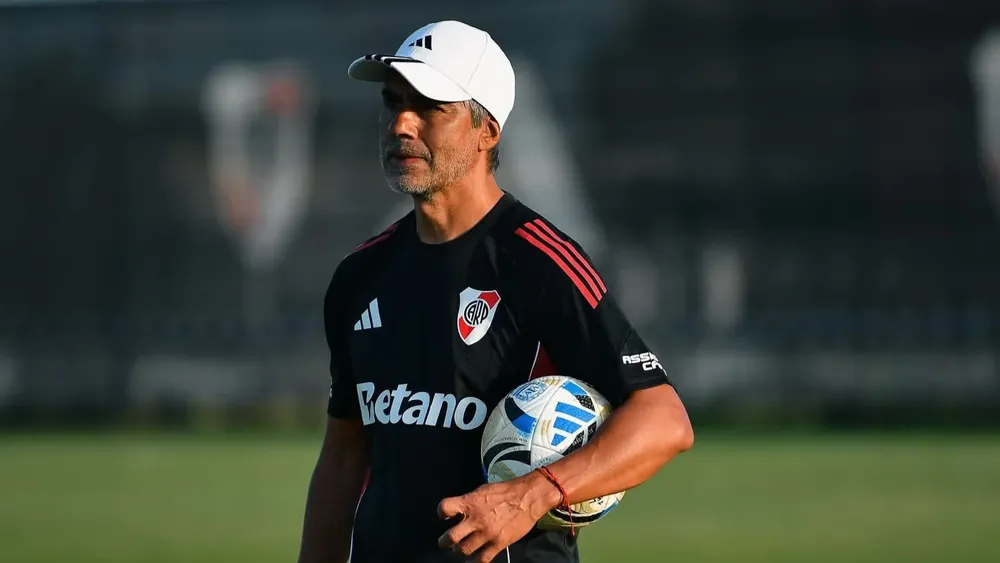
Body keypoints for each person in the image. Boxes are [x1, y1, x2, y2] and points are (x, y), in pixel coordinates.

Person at [297, 20, 694, 563]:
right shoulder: (359, 277)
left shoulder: (539, 262)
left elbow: (664, 419)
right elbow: (344, 458)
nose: (401, 125)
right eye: (392, 103)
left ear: (487, 131)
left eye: (430, 107)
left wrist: (533, 495)